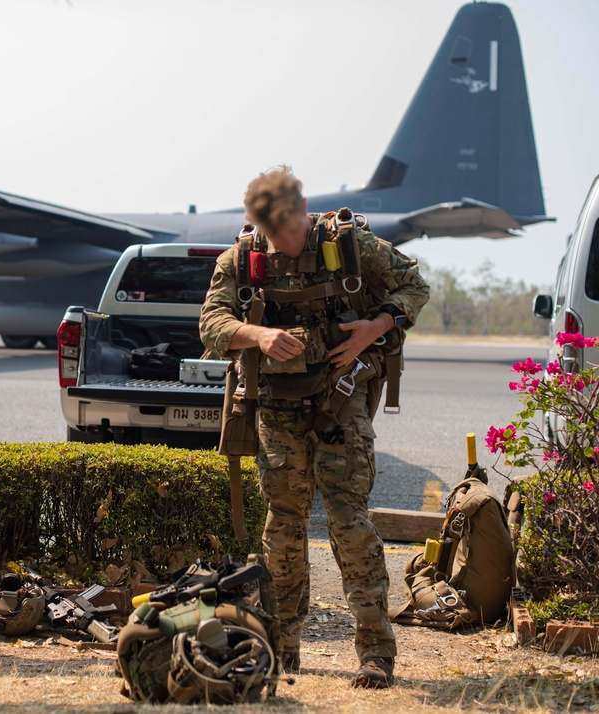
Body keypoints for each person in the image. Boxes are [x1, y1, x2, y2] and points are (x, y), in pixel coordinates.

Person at [200, 167, 429, 688]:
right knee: (283, 525)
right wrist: (256, 335)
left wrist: (376, 326)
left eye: (293, 227)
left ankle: (376, 652)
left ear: (305, 208)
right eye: (275, 232)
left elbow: (414, 286)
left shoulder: (349, 245)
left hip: (340, 398)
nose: (287, 239)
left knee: (350, 520)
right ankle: (283, 647)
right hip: (276, 405)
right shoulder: (240, 259)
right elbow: (210, 323)